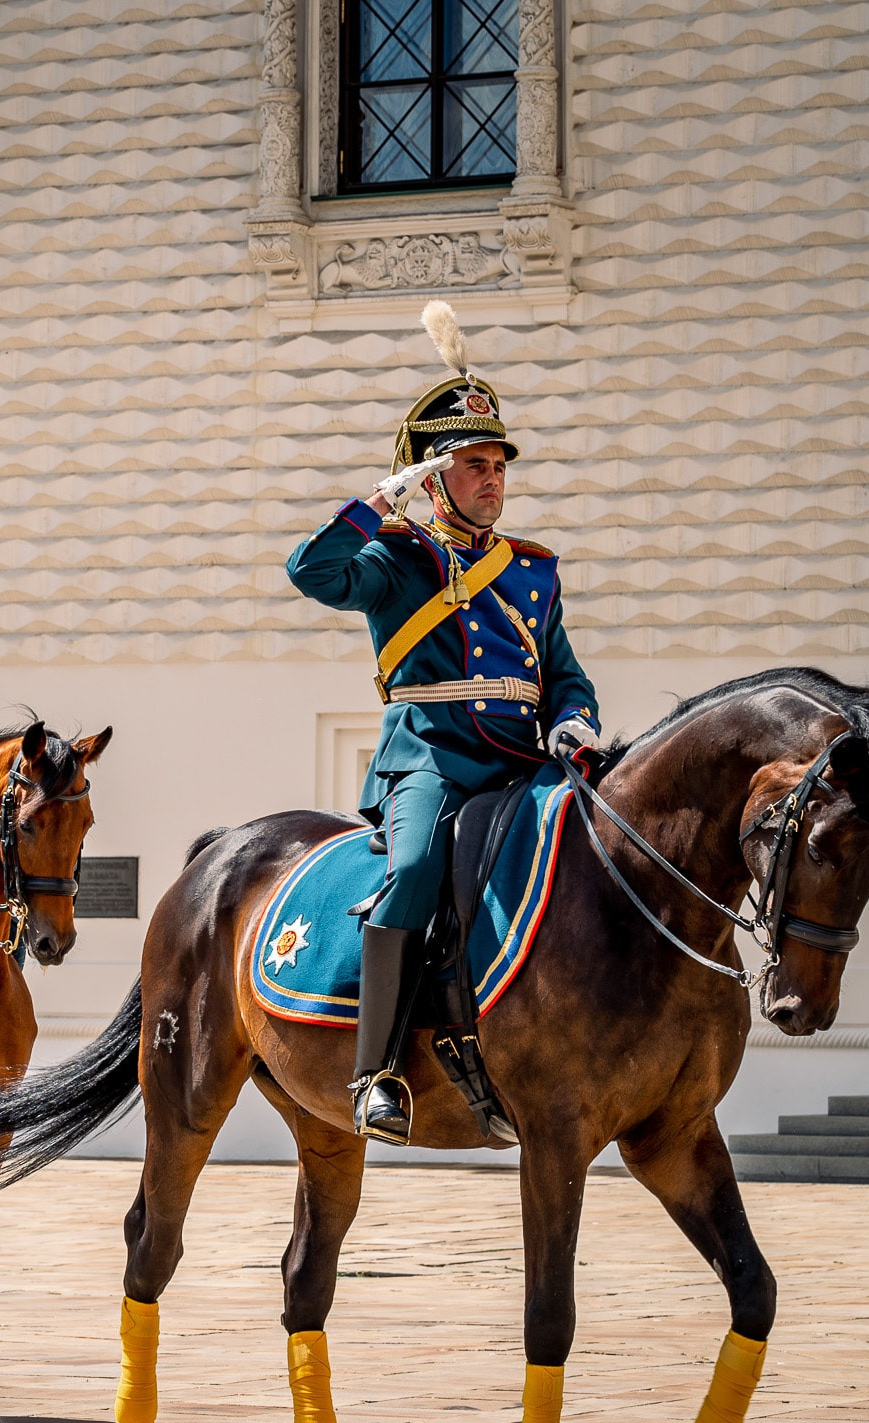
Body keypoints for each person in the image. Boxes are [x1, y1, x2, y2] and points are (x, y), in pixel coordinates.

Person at [286, 301, 600, 1146]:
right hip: (429, 759)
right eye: (473, 464)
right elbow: (309, 572)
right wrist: (376, 501)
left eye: (499, 463)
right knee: (419, 864)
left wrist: (573, 723)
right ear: (432, 477)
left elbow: (564, 676)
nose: (493, 479)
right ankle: (376, 1071)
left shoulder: (532, 573)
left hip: (520, 762)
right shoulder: (396, 557)